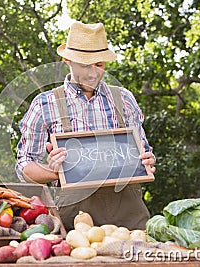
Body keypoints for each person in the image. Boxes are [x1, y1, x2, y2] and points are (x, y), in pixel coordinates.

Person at [15, 21, 156, 231]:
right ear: (68, 61)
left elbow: (144, 153)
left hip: (129, 216)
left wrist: (148, 160)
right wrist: (55, 171)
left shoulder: (124, 99)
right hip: (75, 220)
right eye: (85, 65)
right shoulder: (44, 104)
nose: (93, 73)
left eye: (99, 65)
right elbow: (24, 166)